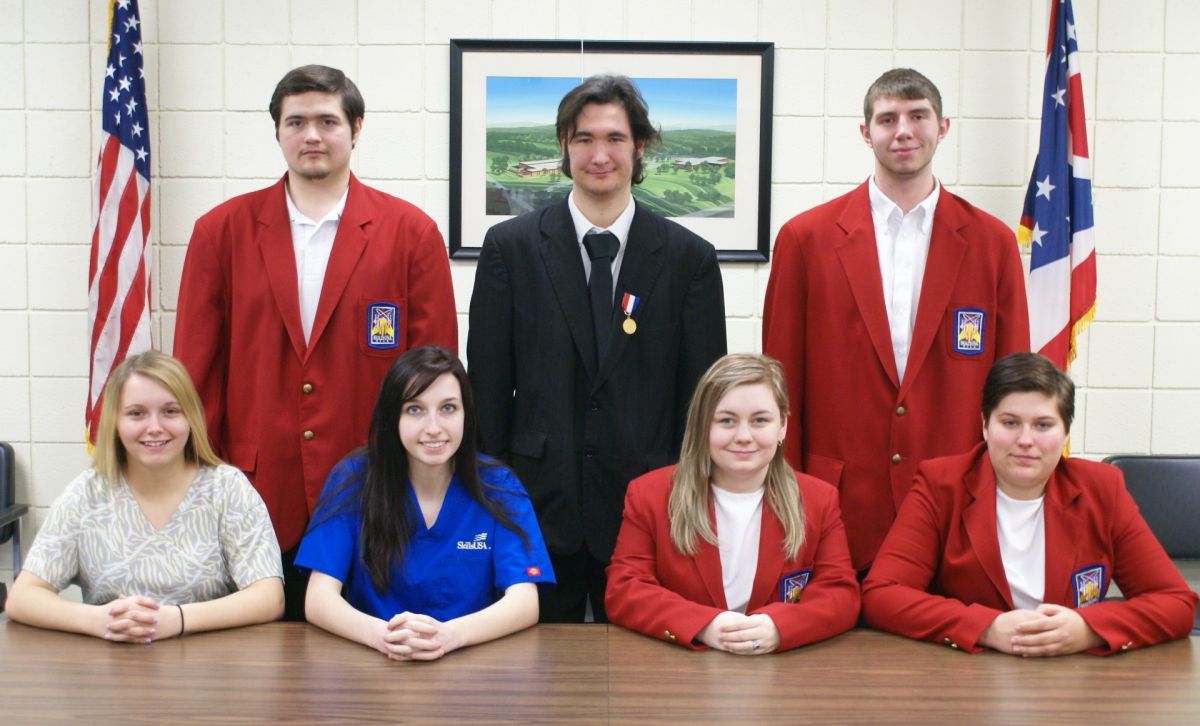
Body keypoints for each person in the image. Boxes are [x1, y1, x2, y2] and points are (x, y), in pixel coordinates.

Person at [174, 65, 457, 620]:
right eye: (296, 121)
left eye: (328, 121)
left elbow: (436, 378)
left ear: (356, 128)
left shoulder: (411, 234)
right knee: (261, 675)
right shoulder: (220, 232)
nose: (312, 135)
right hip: (255, 491)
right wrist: (196, 487)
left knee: (370, 674)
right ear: (277, 131)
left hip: (374, 490)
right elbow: (194, 375)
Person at [468, 75, 727, 623]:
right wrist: (495, 495)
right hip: (535, 509)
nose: (599, 154)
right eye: (584, 139)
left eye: (615, 138)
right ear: (564, 146)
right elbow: (487, 387)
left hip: (649, 509)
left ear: (640, 147)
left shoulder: (689, 259)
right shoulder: (509, 249)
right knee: (536, 685)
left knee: (644, 688)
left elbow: (701, 400)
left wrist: (687, 498)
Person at [762, 68, 1030, 575]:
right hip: (838, 506)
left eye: (917, 115)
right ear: (866, 133)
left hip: (957, 509)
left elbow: (1015, 386)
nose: (903, 130)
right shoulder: (805, 239)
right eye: (887, 119)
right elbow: (781, 388)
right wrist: (787, 497)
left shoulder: (992, 244)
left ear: (943, 126)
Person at [863, 353, 1199, 656]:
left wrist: (1089, 629)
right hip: (965, 680)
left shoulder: (1101, 490)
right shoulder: (941, 485)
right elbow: (882, 594)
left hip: (1071, 680)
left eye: (1043, 425)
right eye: (1010, 423)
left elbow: (1176, 603)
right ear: (984, 425)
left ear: (1065, 432)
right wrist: (985, 627)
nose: (1026, 440)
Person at [297, 346, 554, 660]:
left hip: (471, 665)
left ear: (466, 415)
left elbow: (525, 602)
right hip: (373, 663)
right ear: (393, 417)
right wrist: (382, 636)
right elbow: (319, 598)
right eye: (415, 410)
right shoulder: (352, 479)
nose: (434, 428)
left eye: (448, 408)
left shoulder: (499, 486)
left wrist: (447, 637)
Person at [5, 351, 283, 641]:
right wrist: (102, 620)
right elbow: (23, 598)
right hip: (113, 666)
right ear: (115, 422)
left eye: (170, 411)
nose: (154, 427)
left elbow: (269, 597)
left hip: (210, 668)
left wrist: (176, 619)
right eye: (136, 413)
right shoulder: (86, 494)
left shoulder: (228, 489)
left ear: (191, 418)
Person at [606, 354, 859, 652]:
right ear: (702, 426)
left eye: (760, 420)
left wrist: (780, 627)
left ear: (782, 427)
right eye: (726, 420)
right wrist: (705, 625)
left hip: (781, 677)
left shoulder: (819, 499)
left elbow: (840, 594)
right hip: (680, 674)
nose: (743, 436)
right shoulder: (649, 494)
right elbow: (625, 589)